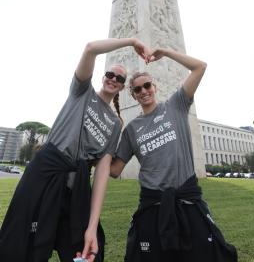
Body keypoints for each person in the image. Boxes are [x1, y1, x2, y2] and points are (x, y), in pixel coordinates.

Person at [0, 37, 148, 262]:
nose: (114, 79)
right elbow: (90, 48)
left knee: (87, 249)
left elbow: (101, 173)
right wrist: (130, 42)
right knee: (20, 240)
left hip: (77, 185)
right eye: (110, 74)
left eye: (119, 78)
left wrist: (92, 223)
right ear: (102, 76)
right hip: (45, 171)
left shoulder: (115, 123)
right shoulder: (82, 91)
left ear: (121, 86)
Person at [111, 46, 238, 262]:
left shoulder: (176, 105)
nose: (144, 92)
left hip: (187, 201)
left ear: (154, 87)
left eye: (147, 86)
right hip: (153, 205)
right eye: (138, 89)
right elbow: (114, 170)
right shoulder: (132, 130)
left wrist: (166, 52)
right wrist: (93, 152)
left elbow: (200, 67)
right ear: (132, 94)